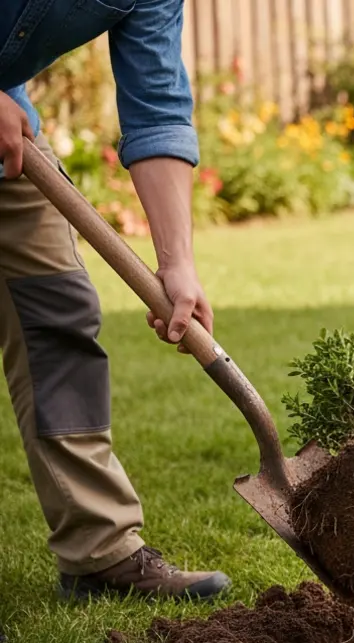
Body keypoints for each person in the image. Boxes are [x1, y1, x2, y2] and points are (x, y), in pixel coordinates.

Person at [0, 1, 230, 602]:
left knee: (59, 313)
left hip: (7, 140)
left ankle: (99, 553)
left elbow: (156, 107)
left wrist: (177, 264)